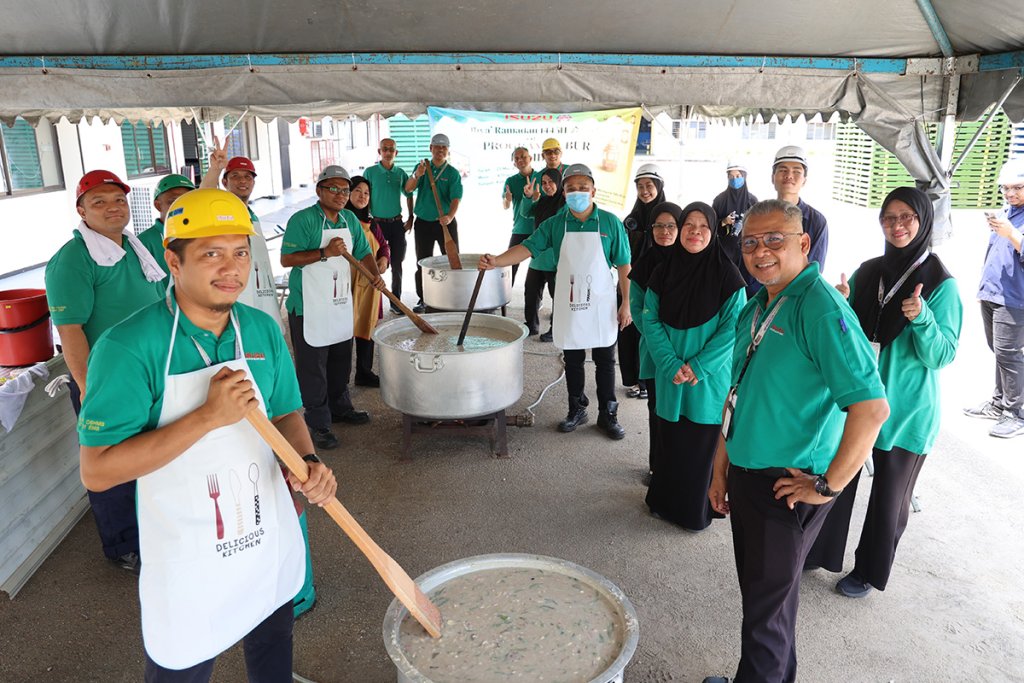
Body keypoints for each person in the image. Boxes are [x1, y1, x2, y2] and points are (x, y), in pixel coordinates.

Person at [77, 188, 337, 681]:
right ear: (172, 261)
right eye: (210, 253)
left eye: (240, 252)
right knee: (184, 668)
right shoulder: (128, 347)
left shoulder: (260, 328)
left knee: (272, 653)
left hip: (265, 537)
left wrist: (307, 463)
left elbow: (286, 414)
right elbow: (98, 469)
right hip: (189, 557)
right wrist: (206, 417)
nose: (231, 268)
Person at [703, 199, 889, 683]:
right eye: (749, 243)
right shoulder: (762, 300)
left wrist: (828, 486)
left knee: (765, 616)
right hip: (748, 472)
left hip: (783, 486)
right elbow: (740, 392)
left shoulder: (822, 308)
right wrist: (722, 466)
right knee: (769, 603)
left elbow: (871, 410)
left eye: (774, 240)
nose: (760, 252)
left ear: (803, 244)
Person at [806, 186, 961, 598]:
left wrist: (923, 318)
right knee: (838, 475)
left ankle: (868, 572)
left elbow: (942, 355)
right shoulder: (869, 270)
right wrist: (839, 302)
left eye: (907, 217)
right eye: (889, 218)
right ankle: (819, 551)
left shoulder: (941, 284)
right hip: (857, 399)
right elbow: (846, 331)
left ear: (924, 220)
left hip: (907, 409)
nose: (897, 226)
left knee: (889, 500)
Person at [44, 169, 167, 573]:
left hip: (149, 371)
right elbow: (71, 331)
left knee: (149, 453)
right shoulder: (73, 259)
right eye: (99, 202)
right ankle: (123, 545)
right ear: (81, 210)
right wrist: (88, 388)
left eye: (118, 200)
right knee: (112, 464)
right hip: (105, 381)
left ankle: (153, 529)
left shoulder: (134, 246)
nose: (112, 208)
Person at [481, 163, 632, 439]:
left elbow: (624, 265)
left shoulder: (610, 222)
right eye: (572, 189)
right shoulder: (555, 224)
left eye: (583, 188)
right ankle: (577, 409)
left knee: (605, 361)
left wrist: (626, 304)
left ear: (593, 191)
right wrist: (497, 261)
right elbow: (528, 247)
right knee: (573, 359)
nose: (578, 193)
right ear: (564, 193)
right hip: (570, 302)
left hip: (601, 304)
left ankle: (608, 414)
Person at [642, 202, 746, 531]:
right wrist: (670, 362)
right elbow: (650, 319)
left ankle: (693, 511)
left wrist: (697, 366)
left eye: (703, 226)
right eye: (689, 225)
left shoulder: (728, 276)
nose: (695, 232)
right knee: (668, 441)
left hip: (706, 379)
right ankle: (662, 502)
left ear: (714, 231)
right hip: (669, 371)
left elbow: (733, 329)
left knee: (700, 444)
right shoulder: (663, 271)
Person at [281, 165, 385, 450]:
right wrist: (324, 253)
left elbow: (364, 251)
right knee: (313, 365)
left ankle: (340, 408)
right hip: (308, 306)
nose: (341, 195)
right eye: (334, 189)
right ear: (319, 191)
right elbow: (287, 259)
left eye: (345, 190)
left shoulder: (350, 219)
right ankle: (318, 421)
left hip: (339, 301)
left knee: (341, 357)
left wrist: (374, 274)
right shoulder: (303, 220)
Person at [963, 157, 1024, 438]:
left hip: (1015, 298)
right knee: (999, 352)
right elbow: (994, 253)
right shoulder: (1007, 212)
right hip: (993, 294)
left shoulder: (1014, 221)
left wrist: (1012, 234)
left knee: (1009, 355)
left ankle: (1016, 413)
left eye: (1017, 188)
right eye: (1006, 189)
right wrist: (983, 289)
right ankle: (999, 404)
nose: (1011, 194)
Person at [201, 150, 284, 330]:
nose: (243, 181)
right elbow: (203, 200)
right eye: (235, 176)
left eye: (248, 177)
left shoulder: (252, 216)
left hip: (257, 295)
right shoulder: (221, 210)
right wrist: (215, 169)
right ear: (224, 182)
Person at [627, 203, 680, 482]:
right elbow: (637, 308)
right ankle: (656, 467)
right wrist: (660, 340)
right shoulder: (646, 263)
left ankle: (680, 468)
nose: (664, 232)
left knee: (683, 414)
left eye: (671, 225)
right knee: (658, 411)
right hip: (655, 350)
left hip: (688, 354)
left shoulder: (692, 261)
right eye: (658, 226)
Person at [619, 163, 667, 399]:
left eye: (649, 186)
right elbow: (621, 254)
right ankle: (636, 380)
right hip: (633, 283)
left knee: (652, 333)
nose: (645, 191)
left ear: (659, 186)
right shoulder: (631, 219)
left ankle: (651, 380)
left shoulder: (669, 216)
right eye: (640, 186)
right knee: (630, 333)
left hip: (660, 285)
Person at [404, 133, 463, 313]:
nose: (440, 150)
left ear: (448, 150)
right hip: (423, 223)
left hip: (445, 223)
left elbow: (456, 197)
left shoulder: (452, 173)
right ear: (431, 148)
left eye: (444, 147)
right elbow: (408, 189)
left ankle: (456, 297)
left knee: (453, 260)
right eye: (437, 146)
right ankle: (424, 299)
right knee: (422, 261)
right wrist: (416, 174)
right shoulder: (421, 167)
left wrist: (450, 216)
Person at [345, 175, 391, 387]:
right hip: (345, 284)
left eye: (366, 193)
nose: (362, 196)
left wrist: (383, 259)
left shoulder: (371, 223)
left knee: (367, 326)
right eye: (357, 191)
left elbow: (384, 246)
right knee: (343, 329)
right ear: (348, 193)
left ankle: (364, 372)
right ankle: (340, 379)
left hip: (369, 285)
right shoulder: (341, 220)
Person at [363, 138, 414, 313]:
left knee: (397, 264)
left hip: (397, 224)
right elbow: (365, 197)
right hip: (376, 224)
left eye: (391, 149)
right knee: (374, 264)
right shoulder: (370, 172)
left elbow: (409, 193)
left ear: (396, 153)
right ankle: (373, 304)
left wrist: (411, 217)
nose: (388, 152)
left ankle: (396, 302)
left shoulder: (400, 173)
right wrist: (366, 221)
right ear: (379, 152)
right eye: (385, 149)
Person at [771, 146, 828, 281]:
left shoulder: (816, 221)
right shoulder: (759, 217)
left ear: (804, 180)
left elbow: (814, 269)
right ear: (772, 178)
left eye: (796, 171)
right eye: (783, 170)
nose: (789, 175)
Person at [519, 167, 564, 340]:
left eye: (551, 182)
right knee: (531, 291)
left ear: (559, 182)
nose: (547, 186)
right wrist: (528, 197)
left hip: (554, 259)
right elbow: (526, 212)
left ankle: (556, 329)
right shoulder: (543, 202)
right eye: (544, 183)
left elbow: (556, 228)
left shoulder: (564, 203)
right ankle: (531, 324)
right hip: (537, 258)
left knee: (557, 296)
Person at [712, 160, 759, 294]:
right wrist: (724, 222)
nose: (734, 179)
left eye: (738, 176)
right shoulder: (719, 200)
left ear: (744, 177)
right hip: (725, 252)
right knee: (726, 286)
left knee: (748, 286)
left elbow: (760, 227)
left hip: (748, 251)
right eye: (731, 176)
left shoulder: (752, 200)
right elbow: (710, 225)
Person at [137, 173, 196, 274]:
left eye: (187, 200)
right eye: (173, 201)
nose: (182, 205)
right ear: (158, 206)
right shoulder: (143, 242)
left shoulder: (200, 233)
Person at [502, 146, 540, 286]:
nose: (520, 160)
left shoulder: (541, 177)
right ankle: (503, 298)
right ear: (514, 163)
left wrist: (537, 198)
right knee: (509, 266)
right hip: (519, 229)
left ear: (530, 158)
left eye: (523, 156)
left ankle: (538, 300)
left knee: (539, 270)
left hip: (539, 229)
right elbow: (505, 206)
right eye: (517, 158)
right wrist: (508, 199)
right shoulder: (510, 181)